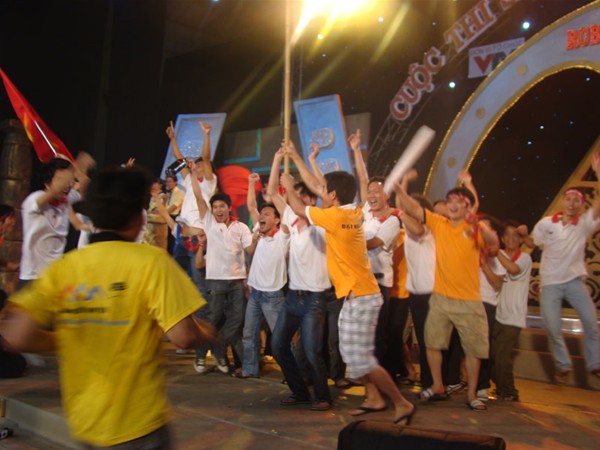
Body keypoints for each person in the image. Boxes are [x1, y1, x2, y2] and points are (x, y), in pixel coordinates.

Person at [1, 165, 215, 449]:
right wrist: (207, 332)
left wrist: (65, 337)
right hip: (140, 424)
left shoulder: (66, 268)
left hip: (85, 424)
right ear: (137, 219)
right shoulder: (151, 263)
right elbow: (183, 336)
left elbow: (16, 335)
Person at [280, 144, 415, 425]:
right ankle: (374, 398)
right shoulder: (354, 212)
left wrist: (288, 186)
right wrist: (298, 157)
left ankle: (402, 403)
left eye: (325, 190)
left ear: (333, 195)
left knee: (362, 360)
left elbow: (298, 207)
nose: (321, 192)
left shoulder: (336, 216)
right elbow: (319, 186)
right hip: (358, 294)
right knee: (352, 355)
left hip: (362, 296)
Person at [396, 180, 499, 412]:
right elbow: (415, 209)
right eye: (449, 200)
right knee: (432, 343)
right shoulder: (439, 223)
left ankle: (472, 394)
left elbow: (493, 242)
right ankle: (437, 385)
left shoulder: (474, 228)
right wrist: (400, 189)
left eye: (457, 202)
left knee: (473, 350)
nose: (452, 205)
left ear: (467, 207)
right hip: (441, 298)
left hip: (469, 300)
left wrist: (480, 226)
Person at [520, 155, 600, 383]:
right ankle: (563, 365)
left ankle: (595, 364)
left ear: (581, 205)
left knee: (591, 323)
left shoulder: (583, 224)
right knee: (553, 327)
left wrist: (598, 173)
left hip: (574, 282)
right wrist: (524, 235)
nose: (572, 203)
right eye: (569, 199)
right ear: (563, 201)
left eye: (577, 201)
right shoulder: (547, 223)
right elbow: (532, 244)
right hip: (550, 283)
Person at [267, 145, 333, 411]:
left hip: (315, 298)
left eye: (303, 195)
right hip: (294, 296)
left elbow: (322, 189)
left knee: (311, 352)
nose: (296, 200)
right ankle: (300, 392)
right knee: (278, 346)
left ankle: (323, 396)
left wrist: (294, 175)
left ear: (312, 201)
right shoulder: (291, 219)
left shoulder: (323, 222)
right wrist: (276, 159)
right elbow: (272, 193)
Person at [193, 163, 254, 375]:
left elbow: (250, 250)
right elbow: (199, 197)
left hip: (237, 281)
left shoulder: (241, 227)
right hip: (216, 281)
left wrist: (258, 238)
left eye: (222, 206)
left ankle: (218, 349)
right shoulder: (210, 224)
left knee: (237, 320)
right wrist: (193, 175)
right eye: (215, 207)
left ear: (229, 208)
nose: (218, 210)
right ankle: (201, 355)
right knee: (213, 319)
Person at [234, 173, 289, 379]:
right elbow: (251, 206)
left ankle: (291, 374)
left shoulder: (283, 236)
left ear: (277, 220)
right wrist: (250, 183)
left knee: (280, 338)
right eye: (262, 213)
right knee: (249, 334)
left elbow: (287, 213)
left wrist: (283, 191)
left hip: (273, 296)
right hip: (255, 293)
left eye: (267, 214)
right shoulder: (259, 233)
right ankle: (249, 369)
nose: (262, 216)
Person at [18, 153, 95, 288]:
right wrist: (76, 166)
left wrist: (75, 170)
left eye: (69, 180)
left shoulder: (66, 200)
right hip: (33, 279)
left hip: (55, 279)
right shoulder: (35, 200)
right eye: (60, 179)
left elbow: (87, 186)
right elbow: (55, 190)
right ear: (47, 183)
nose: (67, 185)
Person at [166, 121, 217, 276]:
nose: (198, 166)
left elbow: (206, 158)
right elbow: (180, 159)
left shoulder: (209, 182)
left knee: (198, 281)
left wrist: (206, 135)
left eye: (200, 165)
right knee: (178, 279)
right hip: (182, 237)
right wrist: (173, 138)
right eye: (197, 165)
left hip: (197, 238)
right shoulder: (189, 179)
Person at [491, 220, 532, 401]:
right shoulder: (497, 254)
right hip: (496, 313)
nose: (511, 239)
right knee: (491, 355)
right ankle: (501, 388)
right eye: (507, 235)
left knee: (502, 356)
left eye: (515, 235)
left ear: (521, 239)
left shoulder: (525, 258)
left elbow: (513, 269)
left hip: (513, 317)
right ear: (502, 238)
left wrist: (496, 253)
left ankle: (509, 391)